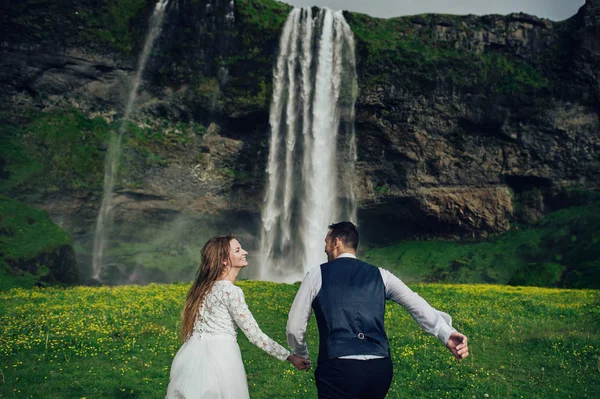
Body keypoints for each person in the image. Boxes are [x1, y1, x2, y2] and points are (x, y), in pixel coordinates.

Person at [286, 222, 469, 399]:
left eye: (326, 242)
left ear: (336, 242)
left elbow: (295, 327)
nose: (324, 248)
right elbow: (415, 302)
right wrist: (446, 333)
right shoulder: (381, 275)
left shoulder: (316, 274)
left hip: (339, 368)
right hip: (379, 368)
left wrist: (301, 353)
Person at [166, 235, 309, 399]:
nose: (245, 252)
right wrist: (289, 356)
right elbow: (255, 335)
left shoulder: (201, 290)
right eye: (238, 250)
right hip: (221, 359)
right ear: (224, 260)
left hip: (190, 358)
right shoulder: (231, 291)